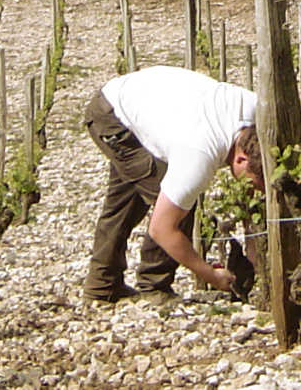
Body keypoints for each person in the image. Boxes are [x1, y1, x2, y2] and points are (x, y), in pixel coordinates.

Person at [82, 65, 264, 303]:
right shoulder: (200, 154)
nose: (254, 190)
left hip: (136, 100)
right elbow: (163, 228)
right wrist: (210, 275)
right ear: (241, 158)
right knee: (175, 210)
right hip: (113, 117)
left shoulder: (259, 114)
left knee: (124, 202)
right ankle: (154, 286)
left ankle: (101, 286)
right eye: (253, 183)